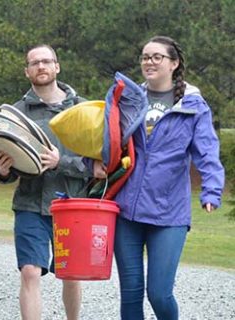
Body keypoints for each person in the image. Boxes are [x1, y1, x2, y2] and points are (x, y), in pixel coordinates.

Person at [93, 36, 225, 319]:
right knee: (130, 293)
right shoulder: (128, 100)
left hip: (169, 215)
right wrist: (92, 161)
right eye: (144, 57)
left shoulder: (193, 106)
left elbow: (207, 152)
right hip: (126, 209)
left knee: (159, 293)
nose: (149, 62)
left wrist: (212, 190)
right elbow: (105, 139)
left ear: (174, 63)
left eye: (156, 57)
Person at [0, 44, 91, 320]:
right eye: (34, 63)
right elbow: (9, 165)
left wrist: (63, 162)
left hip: (71, 203)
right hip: (30, 204)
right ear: (27, 71)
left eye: (46, 61)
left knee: (70, 274)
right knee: (30, 271)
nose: (41, 67)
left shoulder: (83, 109)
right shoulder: (14, 113)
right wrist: (2, 172)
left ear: (57, 66)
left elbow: (97, 165)